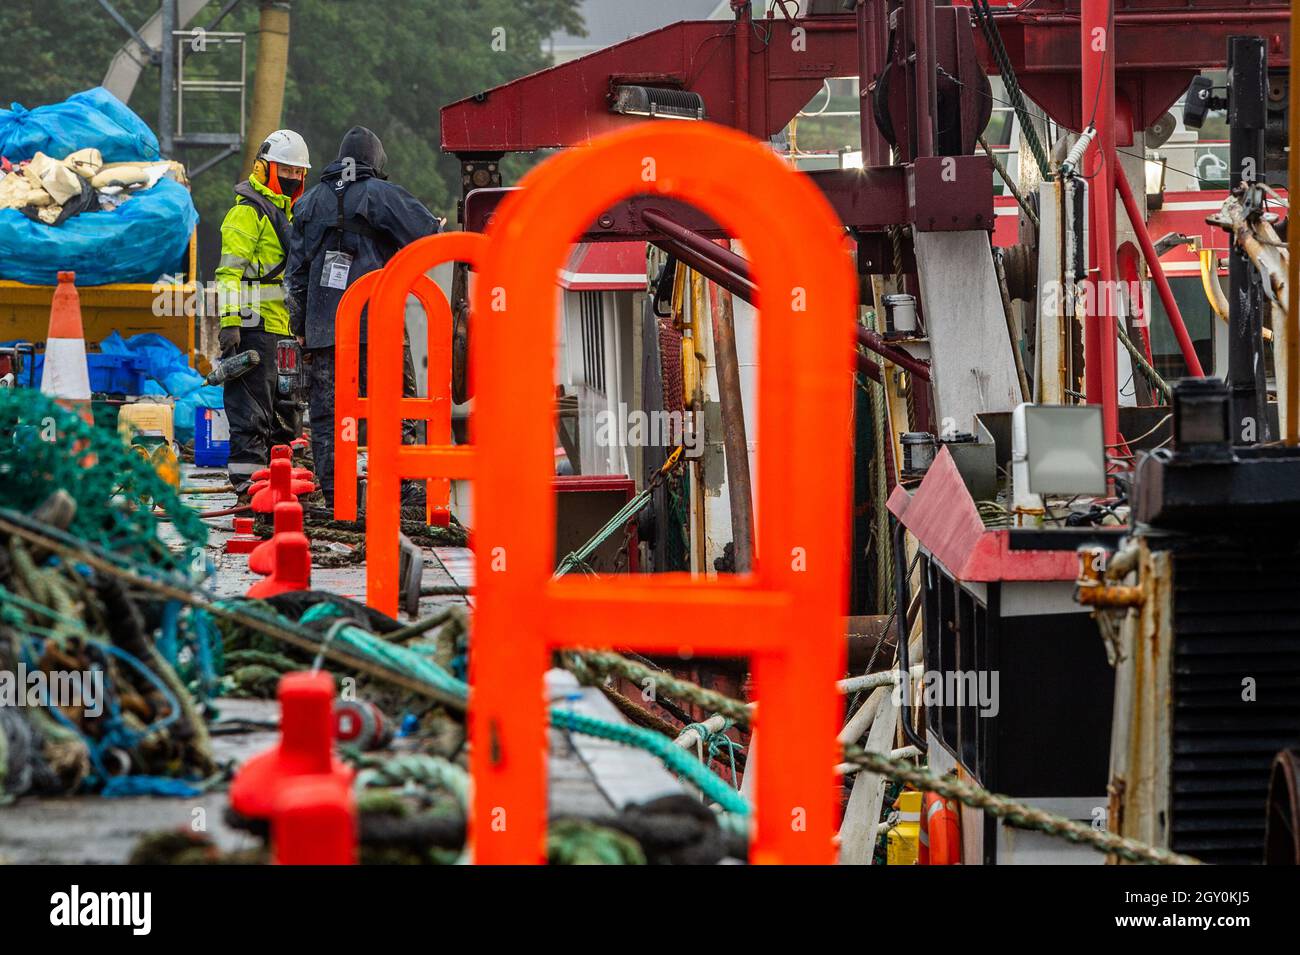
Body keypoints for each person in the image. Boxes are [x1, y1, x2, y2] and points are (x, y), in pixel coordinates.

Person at [285, 126, 442, 509]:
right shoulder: (382, 195)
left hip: (325, 331)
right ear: (375, 161)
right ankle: (401, 490)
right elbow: (431, 239)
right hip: (379, 325)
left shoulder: (307, 204)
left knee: (327, 413)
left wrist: (301, 329)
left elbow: (295, 277)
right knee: (395, 405)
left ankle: (338, 493)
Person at [215, 128, 311, 493]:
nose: (293, 178)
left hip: (284, 332)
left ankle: (279, 485)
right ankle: (248, 487)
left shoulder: (291, 215)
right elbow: (228, 274)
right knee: (250, 414)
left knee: (286, 415)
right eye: (286, 171)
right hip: (252, 327)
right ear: (265, 169)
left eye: (299, 173)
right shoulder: (247, 214)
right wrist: (230, 323)